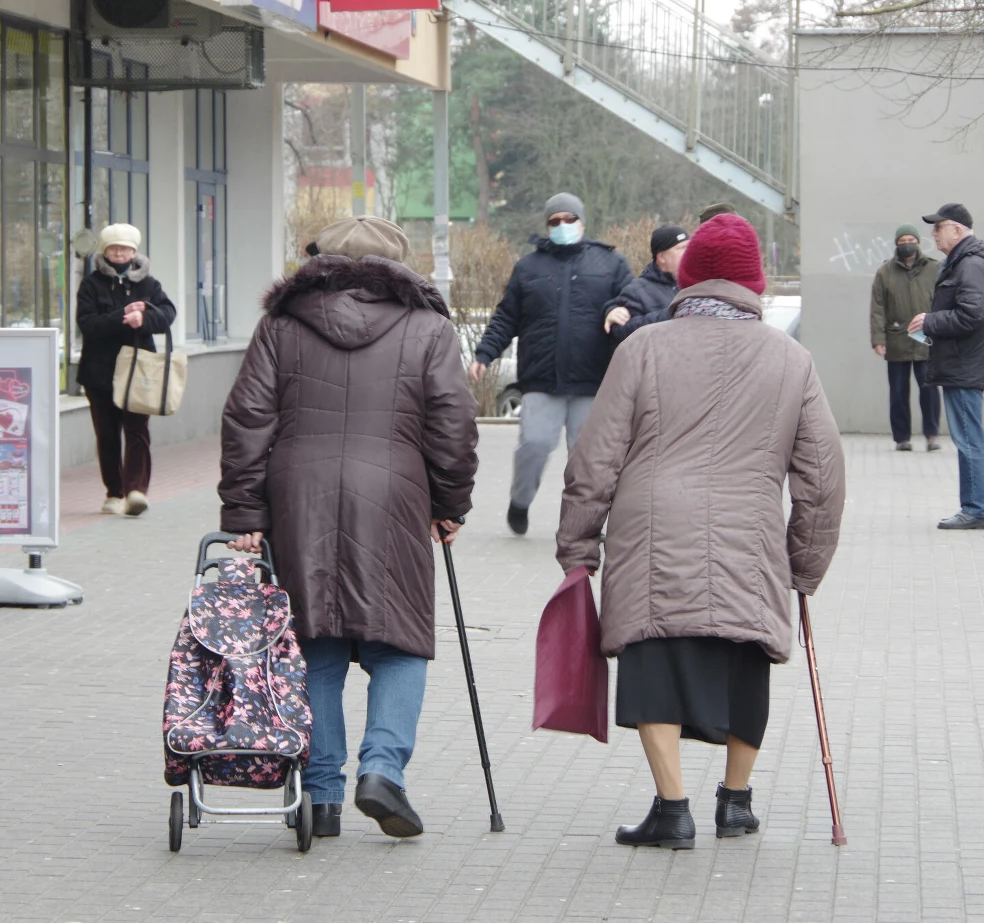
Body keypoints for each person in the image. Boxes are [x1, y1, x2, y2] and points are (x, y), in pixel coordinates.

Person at [557, 214, 846, 850]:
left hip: (652, 532)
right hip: (751, 534)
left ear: (687, 280)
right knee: (746, 658)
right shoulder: (791, 359)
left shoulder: (644, 347)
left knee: (652, 659)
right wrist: (805, 565)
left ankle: (672, 808)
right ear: (755, 282)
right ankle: (736, 802)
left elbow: (595, 457)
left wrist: (577, 546)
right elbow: (822, 476)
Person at [218, 215, 479, 840]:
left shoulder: (281, 324)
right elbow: (453, 423)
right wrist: (450, 504)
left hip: (297, 495)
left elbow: (247, 417)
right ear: (401, 267)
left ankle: (323, 795)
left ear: (320, 260)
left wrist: (245, 514)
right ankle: (383, 772)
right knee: (401, 642)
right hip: (394, 493)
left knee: (316, 645)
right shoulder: (428, 327)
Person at [470, 193, 633, 536]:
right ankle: (520, 500)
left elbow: (631, 303)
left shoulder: (611, 264)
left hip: (592, 381)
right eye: (554, 221)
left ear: (582, 221)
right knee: (534, 444)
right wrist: (485, 353)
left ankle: (586, 520)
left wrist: (617, 312)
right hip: (541, 380)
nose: (562, 226)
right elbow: (506, 317)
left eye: (568, 219)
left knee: (588, 458)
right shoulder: (528, 267)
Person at [908, 204, 984, 530]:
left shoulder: (972, 264)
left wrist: (931, 321)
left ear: (957, 230)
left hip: (964, 365)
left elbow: (973, 314)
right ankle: (973, 507)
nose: (933, 234)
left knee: (968, 440)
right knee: (967, 438)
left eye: (938, 228)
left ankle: (975, 510)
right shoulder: (964, 262)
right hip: (961, 363)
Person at [75, 223, 176, 517]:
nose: (120, 254)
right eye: (114, 248)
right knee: (106, 434)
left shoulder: (149, 284)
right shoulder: (91, 284)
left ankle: (136, 491)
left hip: (138, 370)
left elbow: (167, 314)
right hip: (99, 373)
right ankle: (114, 492)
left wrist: (143, 320)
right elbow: (87, 324)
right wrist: (122, 316)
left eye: (126, 248)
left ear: (135, 252)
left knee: (137, 431)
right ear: (105, 251)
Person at [871, 224, 941, 452]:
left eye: (911, 239)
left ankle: (931, 435)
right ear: (896, 244)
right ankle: (902, 438)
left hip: (926, 339)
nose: (907, 244)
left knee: (929, 389)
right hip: (896, 338)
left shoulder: (934, 269)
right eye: (902, 241)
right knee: (899, 392)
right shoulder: (885, 272)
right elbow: (877, 308)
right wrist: (878, 339)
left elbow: (942, 301)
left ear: (918, 242)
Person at [603, 225, 689, 342]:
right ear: (662, 257)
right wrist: (671, 314)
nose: (689, 252)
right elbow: (623, 332)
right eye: (682, 248)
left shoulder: (695, 284)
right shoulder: (637, 291)